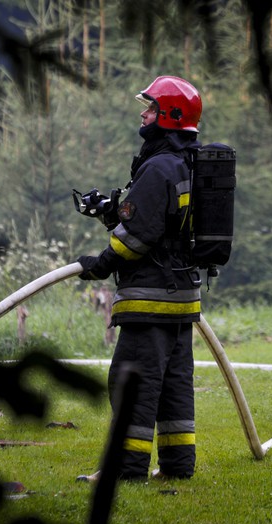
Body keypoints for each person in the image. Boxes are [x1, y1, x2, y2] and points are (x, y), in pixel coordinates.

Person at [75, 75, 203, 482]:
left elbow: (138, 238)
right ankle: (177, 467)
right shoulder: (189, 164)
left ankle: (125, 471)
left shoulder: (159, 167)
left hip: (149, 302)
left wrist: (100, 263)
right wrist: (110, 213)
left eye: (150, 107)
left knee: (132, 386)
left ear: (168, 115)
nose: (143, 114)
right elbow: (164, 230)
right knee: (173, 389)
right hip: (182, 302)